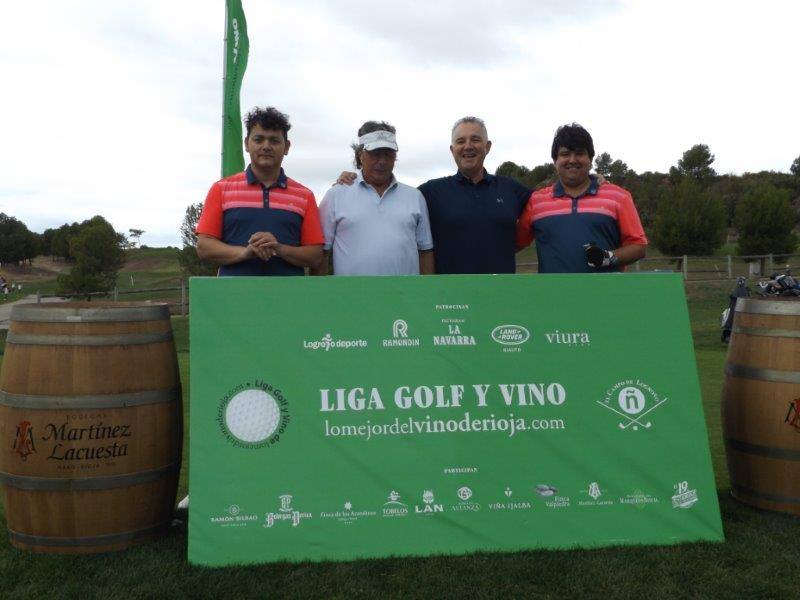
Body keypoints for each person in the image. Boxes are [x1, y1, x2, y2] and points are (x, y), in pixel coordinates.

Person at [337, 117, 531, 274]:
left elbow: (544, 208)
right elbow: (392, 200)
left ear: (487, 146)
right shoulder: (429, 192)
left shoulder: (512, 189)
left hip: (503, 295)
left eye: (475, 139)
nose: (468, 146)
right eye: (460, 141)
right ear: (452, 149)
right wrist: (354, 177)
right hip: (450, 301)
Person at [196, 106, 324, 275]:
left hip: (289, 298)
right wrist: (245, 252)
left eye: (274, 140)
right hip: (232, 297)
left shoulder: (304, 196)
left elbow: (315, 256)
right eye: (259, 139)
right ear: (246, 144)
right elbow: (204, 247)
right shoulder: (220, 190)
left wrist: (278, 248)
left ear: (286, 147)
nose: (266, 146)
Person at [516, 123, 647, 273]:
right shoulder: (536, 201)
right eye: (565, 154)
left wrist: (607, 257)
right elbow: (514, 243)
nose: (572, 160)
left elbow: (639, 246)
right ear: (555, 161)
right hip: (552, 294)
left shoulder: (619, 197)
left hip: (606, 294)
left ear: (590, 159)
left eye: (579, 153)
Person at [313, 121, 434, 276]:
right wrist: (322, 296)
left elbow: (426, 252)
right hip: (351, 297)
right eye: (376, 153)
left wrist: (426, 295)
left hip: (405, 297)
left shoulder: (414, 197)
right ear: (360, 155)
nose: (382, 161)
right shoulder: (336, 195)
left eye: (388, 154)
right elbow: (321, 254)